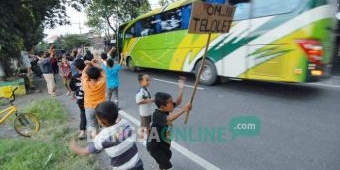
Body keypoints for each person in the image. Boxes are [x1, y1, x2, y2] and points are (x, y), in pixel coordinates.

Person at [69, 101, 144, 170]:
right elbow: (116, 136)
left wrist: (76, 149)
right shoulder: (126, 123)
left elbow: (89, 150)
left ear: (101, 121)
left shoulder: (102, 137)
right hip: (137, 164)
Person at [147, 77, 191, 170]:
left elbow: (178, 102)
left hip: (163, 143)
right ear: (162, 106)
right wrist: (184, 110)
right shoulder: (157, 115)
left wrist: (181, 89)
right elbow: (169, 119)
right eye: (170, 102)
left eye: (171, 101)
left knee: (167, 157)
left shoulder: (165, 109)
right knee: (168, 166)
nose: (172, 104)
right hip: (155, 147)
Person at [82, 58, 106, 139]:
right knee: (104, 123)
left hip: (89, 107)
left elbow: (84, 72)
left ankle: (95, 145)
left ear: (88, 76)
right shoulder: (102, 82)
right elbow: (102, 70)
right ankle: (104, 140)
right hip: (101, 107)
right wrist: (93, 63)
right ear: (99, 75)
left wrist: (89, 63)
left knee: (92, 126)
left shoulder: (85, 83)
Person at [69, 59, 86, 140]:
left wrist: (72, 95)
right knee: (94, 114)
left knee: (83, 114)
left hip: (80, 99)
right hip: (91, 99)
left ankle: (82, 132)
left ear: (76, 67)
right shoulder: (89, 75)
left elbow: (72, 88)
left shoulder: (74, 77)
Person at [136, 73, 154, 143]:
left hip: (148, 111)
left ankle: (148, 138)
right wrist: (150, 100)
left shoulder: (146, 89)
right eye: (147, 80)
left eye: (149, 80)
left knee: (147, 125)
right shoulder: (140, 91)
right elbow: (138, 102)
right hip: (144, 113)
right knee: (143, 126)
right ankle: (142, 138)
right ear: (141, 81)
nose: (148, 82)